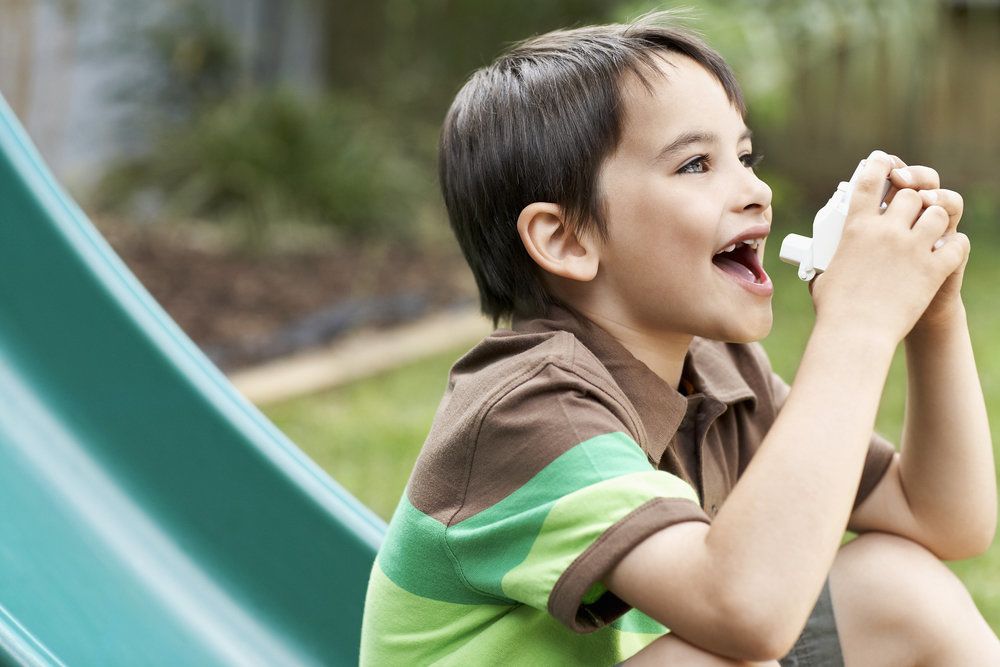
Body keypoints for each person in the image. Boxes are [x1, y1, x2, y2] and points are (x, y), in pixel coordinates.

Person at [360, 11, 998, 665]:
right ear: (566, 239)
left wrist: (934, 320)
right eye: (696, 164)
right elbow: (746, 613)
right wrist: (857, 325)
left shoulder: (720, 378)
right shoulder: (528, 408)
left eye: (745, 157)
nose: (756, 191)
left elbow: (943, 517)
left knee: (901, 586)